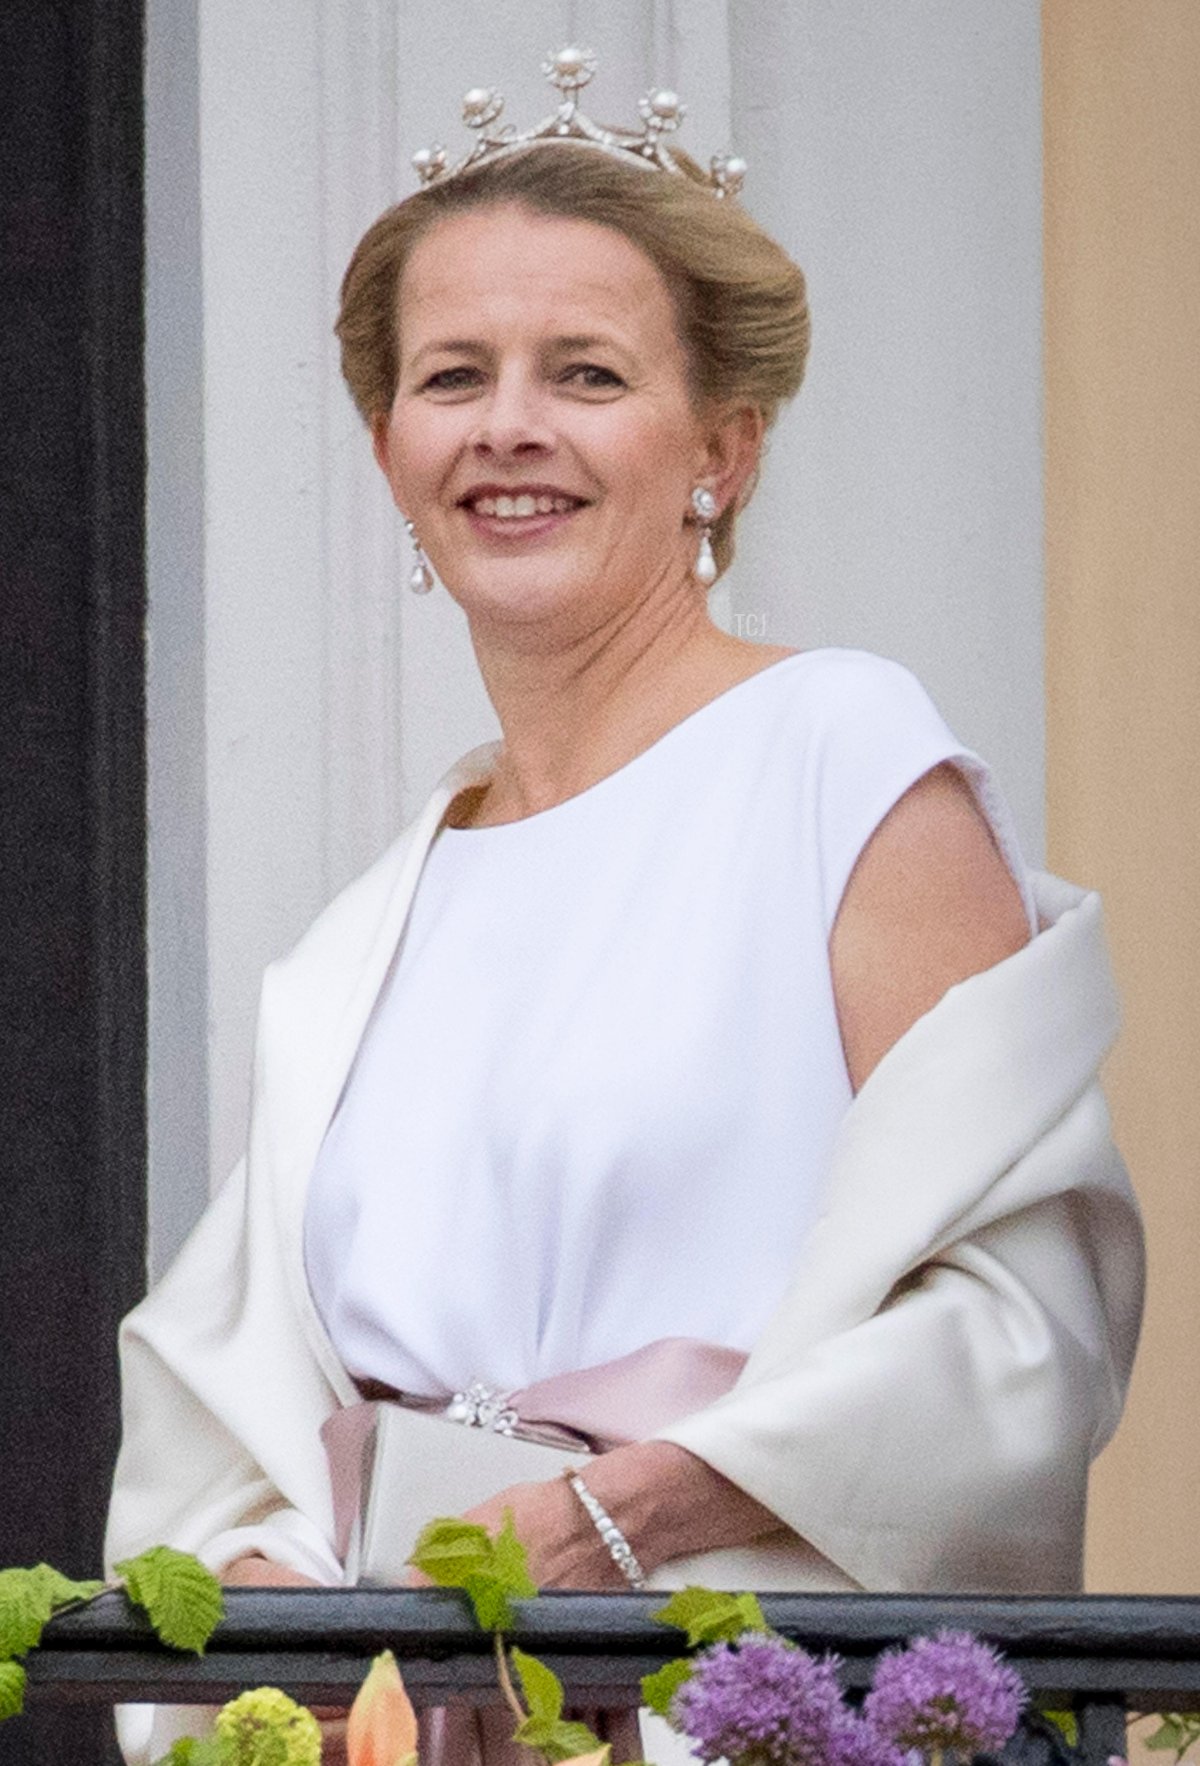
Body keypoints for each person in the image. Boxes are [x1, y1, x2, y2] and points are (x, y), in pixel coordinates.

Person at [106, 49, 1144, 1766]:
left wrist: (613, 1524)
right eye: (454, 376)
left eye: (584, 373)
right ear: (389, 452)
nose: (509, 426)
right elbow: (235, 1401)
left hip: (733, 1705)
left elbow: (1020, 1321)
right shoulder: (374, 920)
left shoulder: (842, 758)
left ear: (722, 447)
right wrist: (284, 1577)